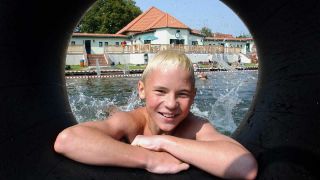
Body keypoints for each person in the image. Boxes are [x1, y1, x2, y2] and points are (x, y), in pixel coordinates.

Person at [54, 50, 258, 179]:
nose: (171, 104)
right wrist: (150, 159)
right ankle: (111, 108)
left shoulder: (195, 127)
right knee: (115, 113)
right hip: (128, 119)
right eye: (160, 91)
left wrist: (164, 143)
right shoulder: (130, 123)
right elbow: (67, 140)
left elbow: (245, 167)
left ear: (194, 96)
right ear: (142, 90)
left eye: (183, 94)